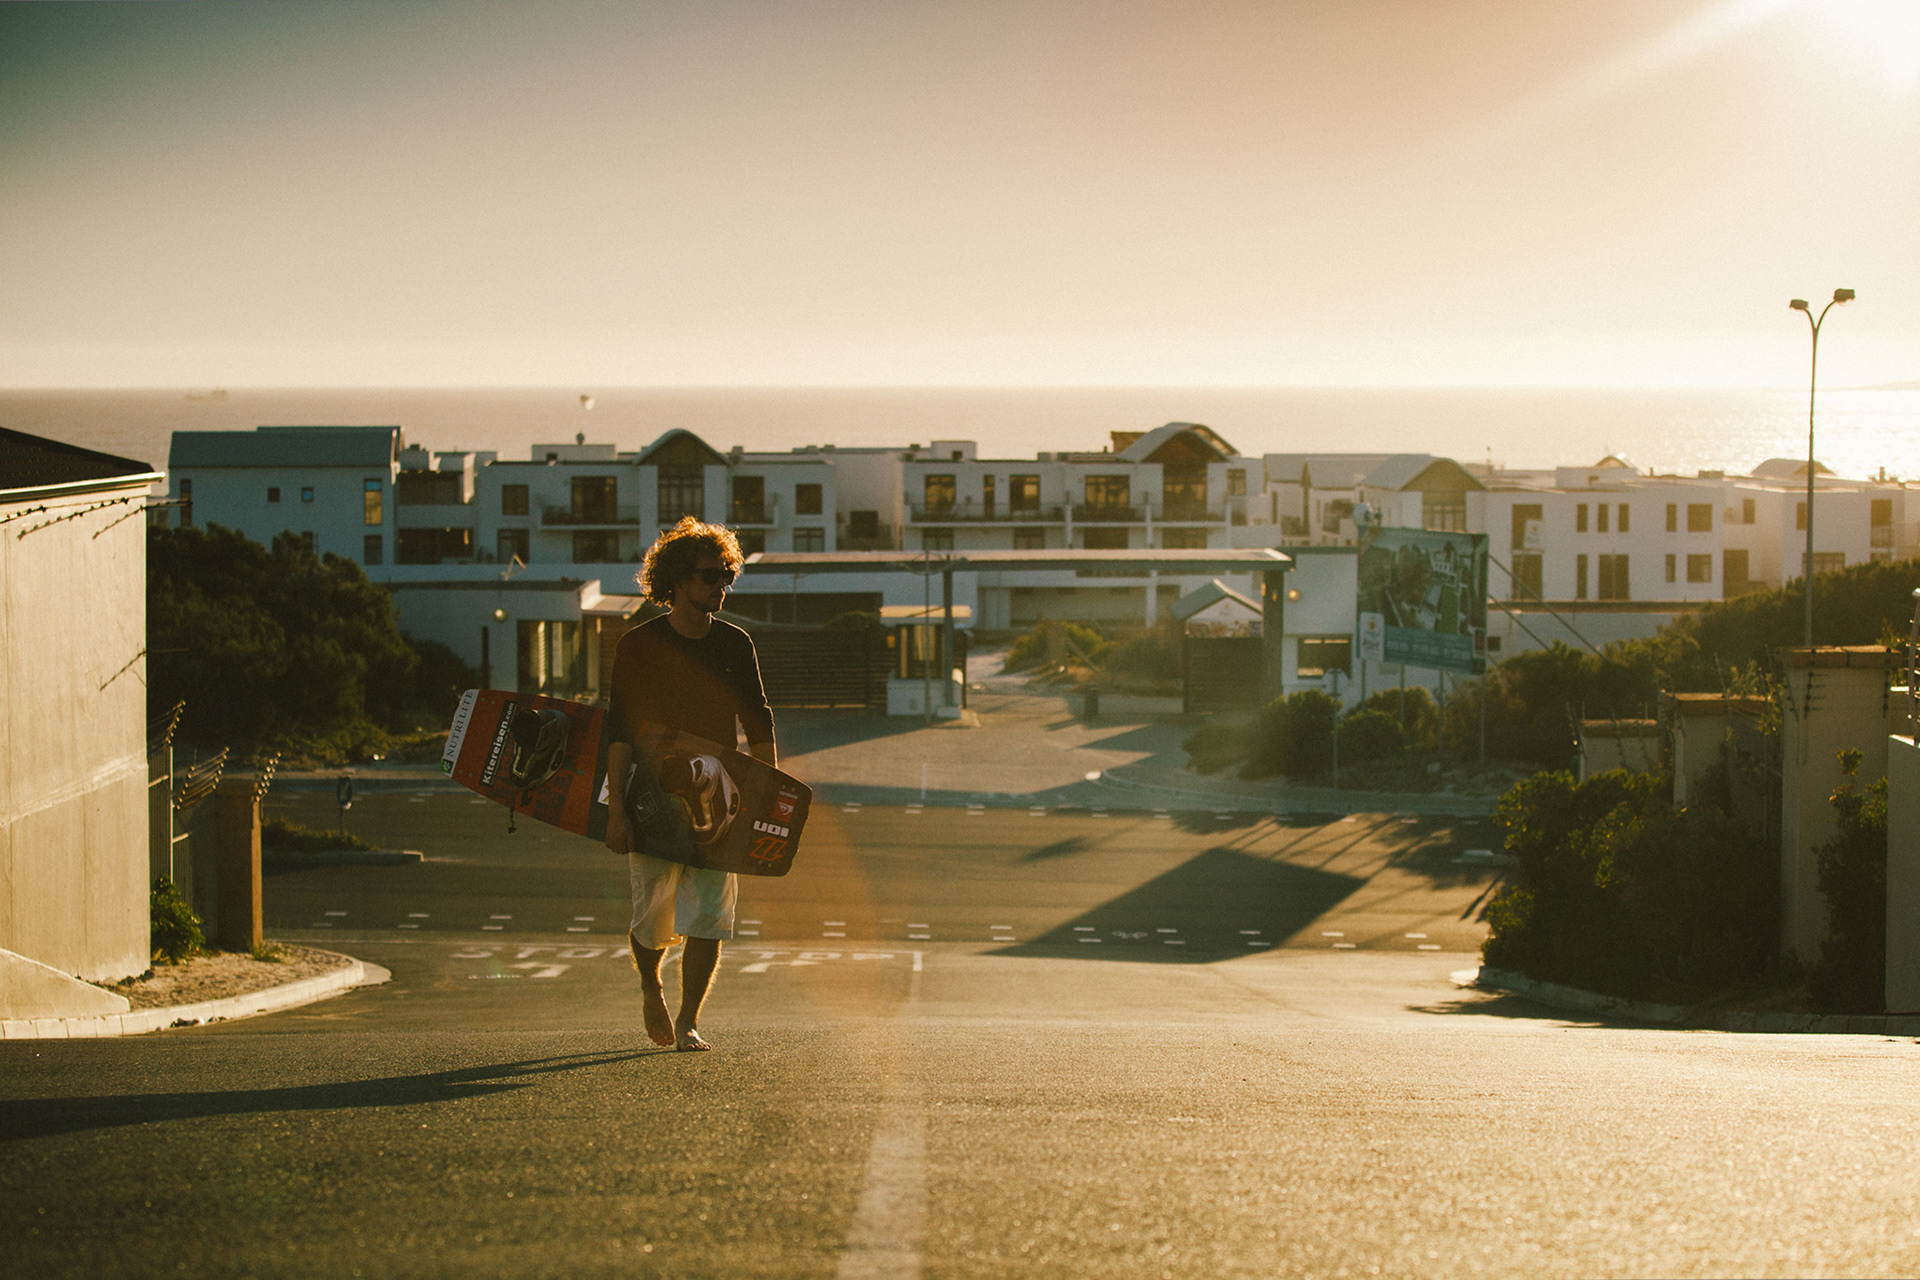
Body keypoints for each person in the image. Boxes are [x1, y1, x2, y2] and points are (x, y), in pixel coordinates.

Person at [604, 517, 776, 1052]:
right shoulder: (639, 645)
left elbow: (759, 719)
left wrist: (766, 793)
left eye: (726, 575)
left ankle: (689, 1020)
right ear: (676, 580)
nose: (720, 586)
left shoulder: (734, 643)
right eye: (708, 576)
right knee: (651, 910)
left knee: (710, 912)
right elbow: (619, 729)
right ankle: (651, 987)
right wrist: (615, 811)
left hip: (720, 794)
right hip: (651, 791)